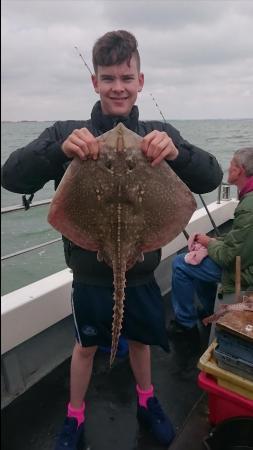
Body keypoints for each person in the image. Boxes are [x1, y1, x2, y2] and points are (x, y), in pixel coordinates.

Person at [1, 30, 223, 449]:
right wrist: (58, 152)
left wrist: (176, 151)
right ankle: (75, 413)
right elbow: (11, 176)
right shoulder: (69, 132)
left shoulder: (160, 134)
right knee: (84, 347)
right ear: (95, 81)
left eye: (126, 77)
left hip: (140, 272)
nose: (117, 86)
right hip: (89, 274)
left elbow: (211, 176)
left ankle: (147, 400)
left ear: (140, 81)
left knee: (140, 342)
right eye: (108, 78)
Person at [167, 147, 253, 346]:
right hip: (245, 262)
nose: (228, 167)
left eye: (231, 164)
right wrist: (214, 242)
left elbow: (230, 259)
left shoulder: (249, 207)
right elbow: (241, 240)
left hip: (243, 274)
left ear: (239, 170)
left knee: (180, 264)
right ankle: (208, 310)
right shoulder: (248, 199)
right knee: (197, 258)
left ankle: (185, 324)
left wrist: (207, 243)